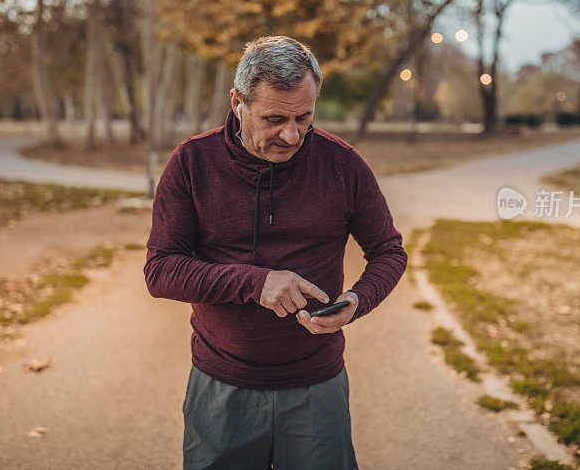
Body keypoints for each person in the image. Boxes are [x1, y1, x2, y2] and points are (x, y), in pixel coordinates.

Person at [143, 36, 407, 469]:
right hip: (220, 387)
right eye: (275, 118)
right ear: (237, 102)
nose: (293, 134)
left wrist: (357, 302)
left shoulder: (342, 165)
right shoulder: (192, 162)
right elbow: (161, 270)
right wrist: (256, 281)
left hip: (316, 389)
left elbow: (388, 251)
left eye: (305, 117)